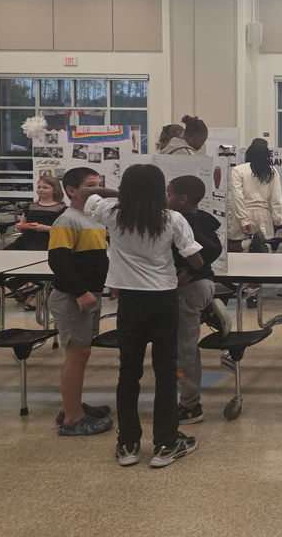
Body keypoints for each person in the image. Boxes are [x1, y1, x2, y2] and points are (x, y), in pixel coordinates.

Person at [85, 164, 204, 467]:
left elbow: (88, 194)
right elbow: (197, 259)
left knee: (128, 373)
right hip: (163, 300)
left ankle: (128, 444)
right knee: (165, 373)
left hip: (129, 302)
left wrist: (119, 194)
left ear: (125, 189)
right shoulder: (171, 219)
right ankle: (166, 442)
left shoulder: (112, 213)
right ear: (159, 190)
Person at [47, 167, 113, 436]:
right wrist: (80, 292)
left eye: (99, 184)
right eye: (90, 185)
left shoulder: (94, 219)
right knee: (77, 355)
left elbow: (98, 259)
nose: (96, 190)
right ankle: (73, 418)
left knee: (81, 354)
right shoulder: (67, 220)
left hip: (90, 295)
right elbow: (58, 260)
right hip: (73, 298)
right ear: (72, 190)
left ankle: (72, 405)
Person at [166, 175, 226, 426]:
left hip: (190, 288)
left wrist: (192, 271)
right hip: (199, 285)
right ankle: (210, 307)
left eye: (168, 194)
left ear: (182, 199)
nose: (164, 199)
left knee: (185, 348)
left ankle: (190, 404)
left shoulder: (186, 222)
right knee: (182, 345)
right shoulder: (198, 218)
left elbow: (211, 249)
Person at [6, 175, 67, 310]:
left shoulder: (61, 208)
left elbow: (63, 230)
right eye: (39, 187)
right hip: (26, 240)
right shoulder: (31, 206)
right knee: (5, 256)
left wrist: (44, 228)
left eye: (45, 187)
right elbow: (20, 224)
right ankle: (23, 286)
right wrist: (21, 226)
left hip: (47, 241)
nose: (41, 190)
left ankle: (36, 290)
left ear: (55, 190)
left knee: (34, 257)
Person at [228, 138, 282, 253]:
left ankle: (247, 244)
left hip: (242, 213)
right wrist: (278, 219)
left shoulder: (238, 170)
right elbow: (276, 199)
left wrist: (243, 220)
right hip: (263, 216)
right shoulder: (272, 171)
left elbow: (238, 197)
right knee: (260, 255)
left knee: (234, 252)